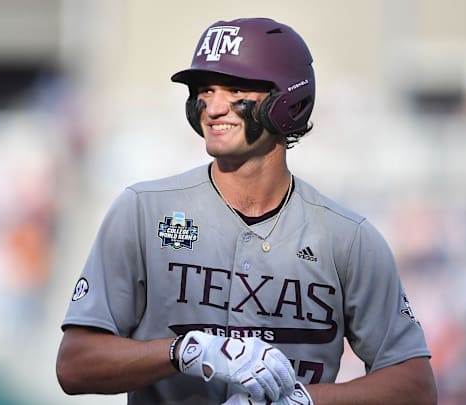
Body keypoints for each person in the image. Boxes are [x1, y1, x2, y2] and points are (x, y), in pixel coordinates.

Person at [56, 17, 438, 405]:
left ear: (287, 100)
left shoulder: (347, 237)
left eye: (235, 88)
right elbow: (75, 365)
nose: (213, 107)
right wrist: (186, 351)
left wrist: (305, 401)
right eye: (205, 90)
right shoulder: (144, 210)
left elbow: (415, 385)